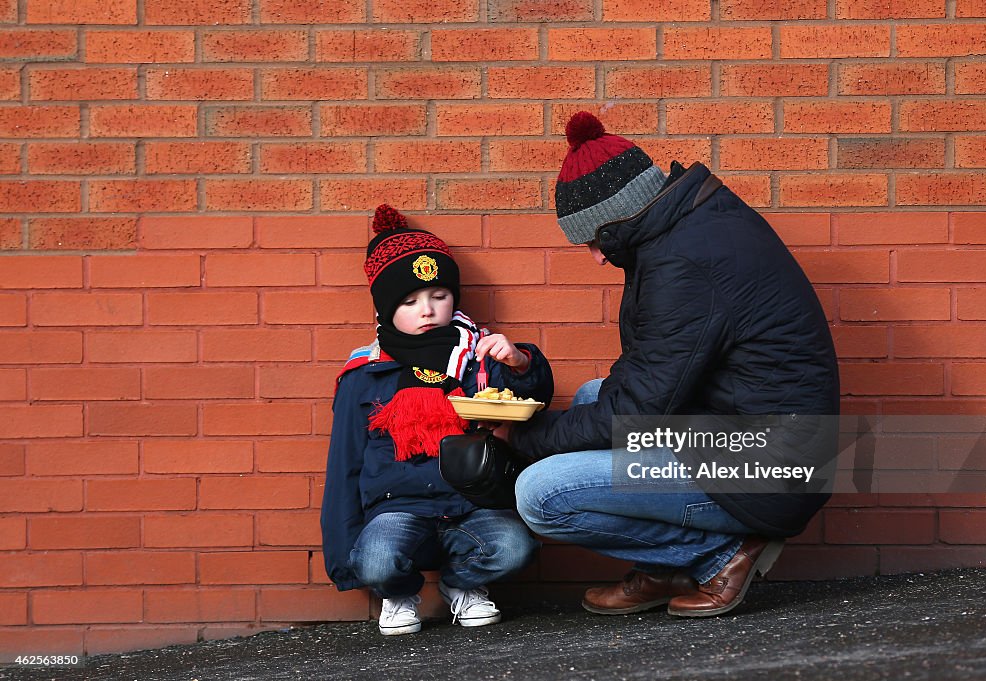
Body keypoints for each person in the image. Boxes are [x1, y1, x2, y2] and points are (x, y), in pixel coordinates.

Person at [501, 111, 840, 618]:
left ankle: (719, 555)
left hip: (770, 463)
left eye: (594, 239)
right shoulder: (688, 226)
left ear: (619, 216)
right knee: (595, 396)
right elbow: (643, 380)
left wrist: (522, 440)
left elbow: (639, 406)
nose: (595, 257)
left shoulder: (683, 265)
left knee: (541, 493)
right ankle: (665, 568)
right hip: (745, 428)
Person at [321, 204, 554, 635]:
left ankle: (461, 585)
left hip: (472, 505)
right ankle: (400, 593)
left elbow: (532, 398)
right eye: (409, 301)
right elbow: (344, 466)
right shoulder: (364, 373)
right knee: (373, 560)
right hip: (397, 508)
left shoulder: (480, 355)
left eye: (439, 296)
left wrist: (520, 362)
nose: (427, 310)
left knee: (514, 548)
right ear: (385, 310)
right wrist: (345, 558)